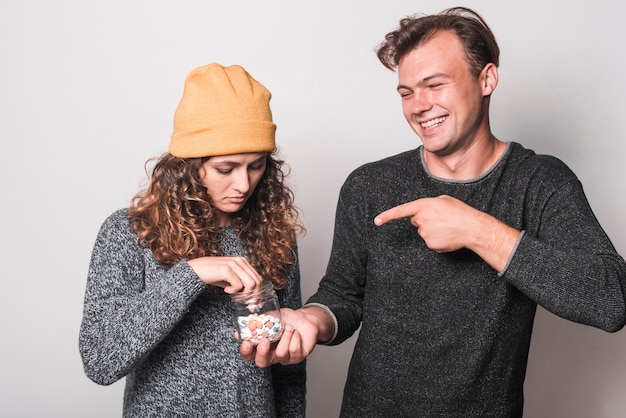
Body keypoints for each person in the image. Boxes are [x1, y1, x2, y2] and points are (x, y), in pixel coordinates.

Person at [240, 7, 626, 417]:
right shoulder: (369, 185)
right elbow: (342, 296)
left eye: (434, 85)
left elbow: (611, 300)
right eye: (406, 93)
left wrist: (478, 230)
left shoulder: (540, 182)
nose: (418, 106)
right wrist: (314, 320)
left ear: (487, 79)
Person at [79, 63, 306, 417]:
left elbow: (287, 369)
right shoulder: (129, 233)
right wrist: (190, 275)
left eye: (256, 165)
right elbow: (101, 360)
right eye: (225, 169)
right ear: (188, 165)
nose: (244, 184)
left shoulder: (274, 234)